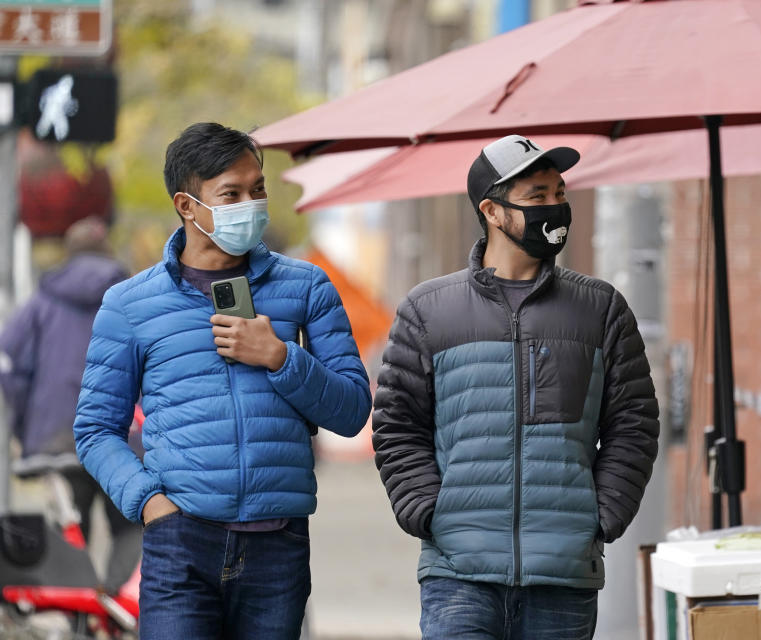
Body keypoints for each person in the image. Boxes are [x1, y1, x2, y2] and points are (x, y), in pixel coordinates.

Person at [73, 123, 372, 639]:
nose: (250, 205)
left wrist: (281, 359)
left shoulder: (306, 287)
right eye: (230, 194)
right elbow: (96, 430)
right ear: (187, 206)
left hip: (277, 547)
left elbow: (351, 411)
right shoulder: (130, 305)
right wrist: (150, 504)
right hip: (179, 542)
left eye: (257, 189)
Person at [372, 134, 660, 640]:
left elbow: (633, 423)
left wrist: (602, 516)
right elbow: (397, 425)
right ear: (492, 211)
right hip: (458, 577)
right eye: (537, 197)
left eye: (559, 193)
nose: (555, 208)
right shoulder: (428, 310)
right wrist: (428, 511)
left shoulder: (601, 309)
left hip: (563, 577)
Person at [0, 217, 141, 590]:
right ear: (107, 251)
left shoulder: (42, 301)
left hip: (57, 439)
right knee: (130, 524)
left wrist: (26, 422)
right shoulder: (132, 297)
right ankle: (109, 603)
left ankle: (79, 612)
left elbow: (8, 361)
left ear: (69, 253)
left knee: (69, 529)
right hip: (121, 435)